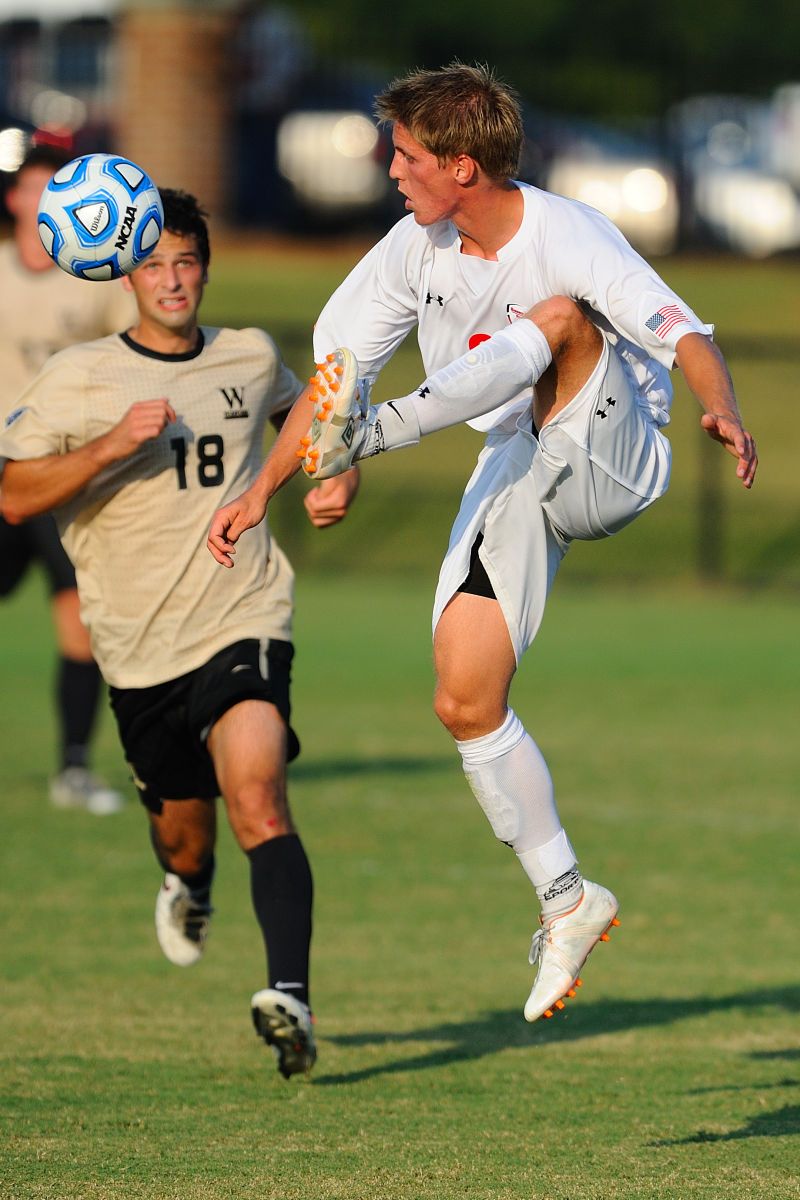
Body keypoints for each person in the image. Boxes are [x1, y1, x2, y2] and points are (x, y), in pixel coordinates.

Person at [206, 64, 757, 1025]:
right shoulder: (411, 248)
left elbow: (684, 334)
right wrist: (269, 486)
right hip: (519, 462)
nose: (390, 169)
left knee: (561, 321)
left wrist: (724, 409)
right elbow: (335, 380)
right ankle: (568, 900)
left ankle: (387, 436)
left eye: (407, 155)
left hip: (611, 453)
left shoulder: (569, 233)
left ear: (463, 165)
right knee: (463, 699)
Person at [0, 189, 359, 1077]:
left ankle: (291, 998)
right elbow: (12, 495)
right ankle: (190, 884)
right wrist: (107, 446)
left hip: (244, 615)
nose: (171, 280)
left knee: (259, 795)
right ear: (124, 276)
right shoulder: (81, 377)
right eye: (154, 265)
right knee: (186, 835)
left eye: (186, 263)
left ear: (205, 269)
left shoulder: (247, 355)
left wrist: (336, 470)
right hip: (136, 650)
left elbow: (308, 411)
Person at [0, 145, 138, 814]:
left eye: (53, 189)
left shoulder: (97, 279)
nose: (41, 200)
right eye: (33, 188)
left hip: (68, 471)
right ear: (14, 199)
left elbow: (134, 355)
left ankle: (74, 768)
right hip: (3, 468)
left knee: (79, 621)